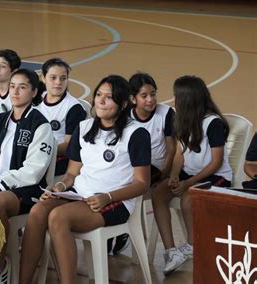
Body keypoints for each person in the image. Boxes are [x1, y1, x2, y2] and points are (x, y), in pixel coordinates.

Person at [19, 75, 151, 284]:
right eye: (99, 95)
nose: (101, 100)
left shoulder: (136, 134)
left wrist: (108, 197)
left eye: (109, 97)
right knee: (38, 211)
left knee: (58, 217)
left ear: (123, 103)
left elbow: (142, 184)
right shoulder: (85, 127)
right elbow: (72, 173)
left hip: (114, 201)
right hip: (79, 194)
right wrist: (59, 186)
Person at [0, 68, 54, 283]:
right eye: (12, 86)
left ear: (34, 92)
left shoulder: (40, 125)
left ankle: (0, 267)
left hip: (25, 190)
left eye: (22, 87)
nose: (15, 92)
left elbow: (33, 171)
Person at [152, 75, 232, 275]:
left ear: (187, 99)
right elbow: (180, 153)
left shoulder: (213, 123)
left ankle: (191, 246)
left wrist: (188, 183)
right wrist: (174, 175)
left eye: (176, 96)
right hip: (190, 174)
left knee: (189, 199)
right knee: (158, 194)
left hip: (215, 176)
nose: (174, 99)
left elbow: (216, 162)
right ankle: (171, 250)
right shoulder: (183, 119)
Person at [108, 72, 177, 256]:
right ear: (132, 99)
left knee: (122, 185)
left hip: (156, 168)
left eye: (153, 94)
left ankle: (122, 229)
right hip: (132, 167)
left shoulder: (166, 114)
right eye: (144, 96)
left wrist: (165, 173)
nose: (150, 99)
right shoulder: (125, 116)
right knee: (109, 180)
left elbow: (172, 149)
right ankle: (115, 228)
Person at [36, 58, 87, 175]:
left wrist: (41, 151)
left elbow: (70, 146)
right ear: (43, 78)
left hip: (58, 159)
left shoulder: (73, 108)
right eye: (53, 78)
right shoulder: (36, 100)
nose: (58, 82)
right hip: (36, 153)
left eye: (63, 78)